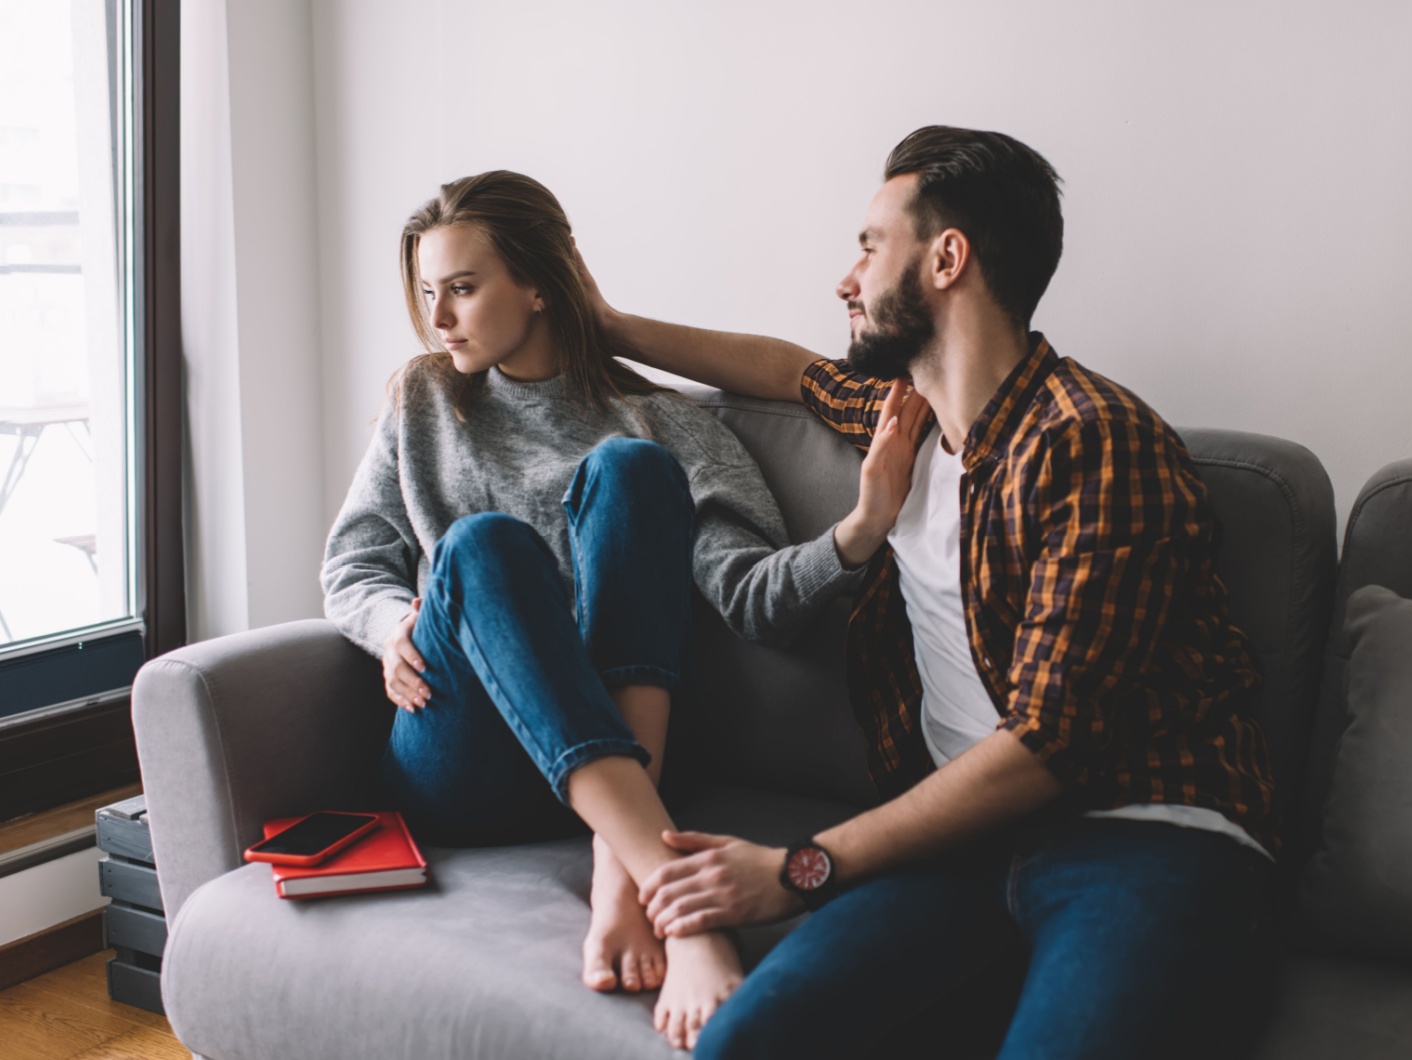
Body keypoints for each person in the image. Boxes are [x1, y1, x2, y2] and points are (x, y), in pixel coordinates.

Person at [583, 127, 1281, 1058]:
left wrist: (800, 868)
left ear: (947, 259)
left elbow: (1048, 746)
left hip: (1138, 837)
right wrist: (608, 327)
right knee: (740, 1046)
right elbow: (789, 370)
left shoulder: (1092, 441)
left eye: (870, 246)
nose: (847, 279)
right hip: (956, 851)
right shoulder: (902, 417)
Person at [319, 170, 929, 1052]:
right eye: (426, 292)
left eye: (462, 287)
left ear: (537, 283)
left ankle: (619, 855)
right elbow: (353, 559)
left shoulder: (657, 423)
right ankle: (679, 909)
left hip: (610, 755)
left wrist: (862, 529)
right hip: (463, 755)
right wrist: (389, 624)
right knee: (483, 546)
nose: (439, 317)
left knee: (632, 471)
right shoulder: (421, 399)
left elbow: (752, 601)